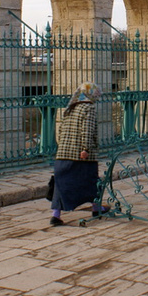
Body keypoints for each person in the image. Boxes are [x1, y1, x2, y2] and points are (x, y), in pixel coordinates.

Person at [50, 82, 106, 226]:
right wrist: (85, 149)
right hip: (81, 155)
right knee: (91, 181)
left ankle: (55, 215)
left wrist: (62, 147)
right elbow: (87, 130)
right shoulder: (89, 108)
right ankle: (96, 207)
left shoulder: (70, 107)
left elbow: (60, 130)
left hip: (63, 153)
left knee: (61, 183)